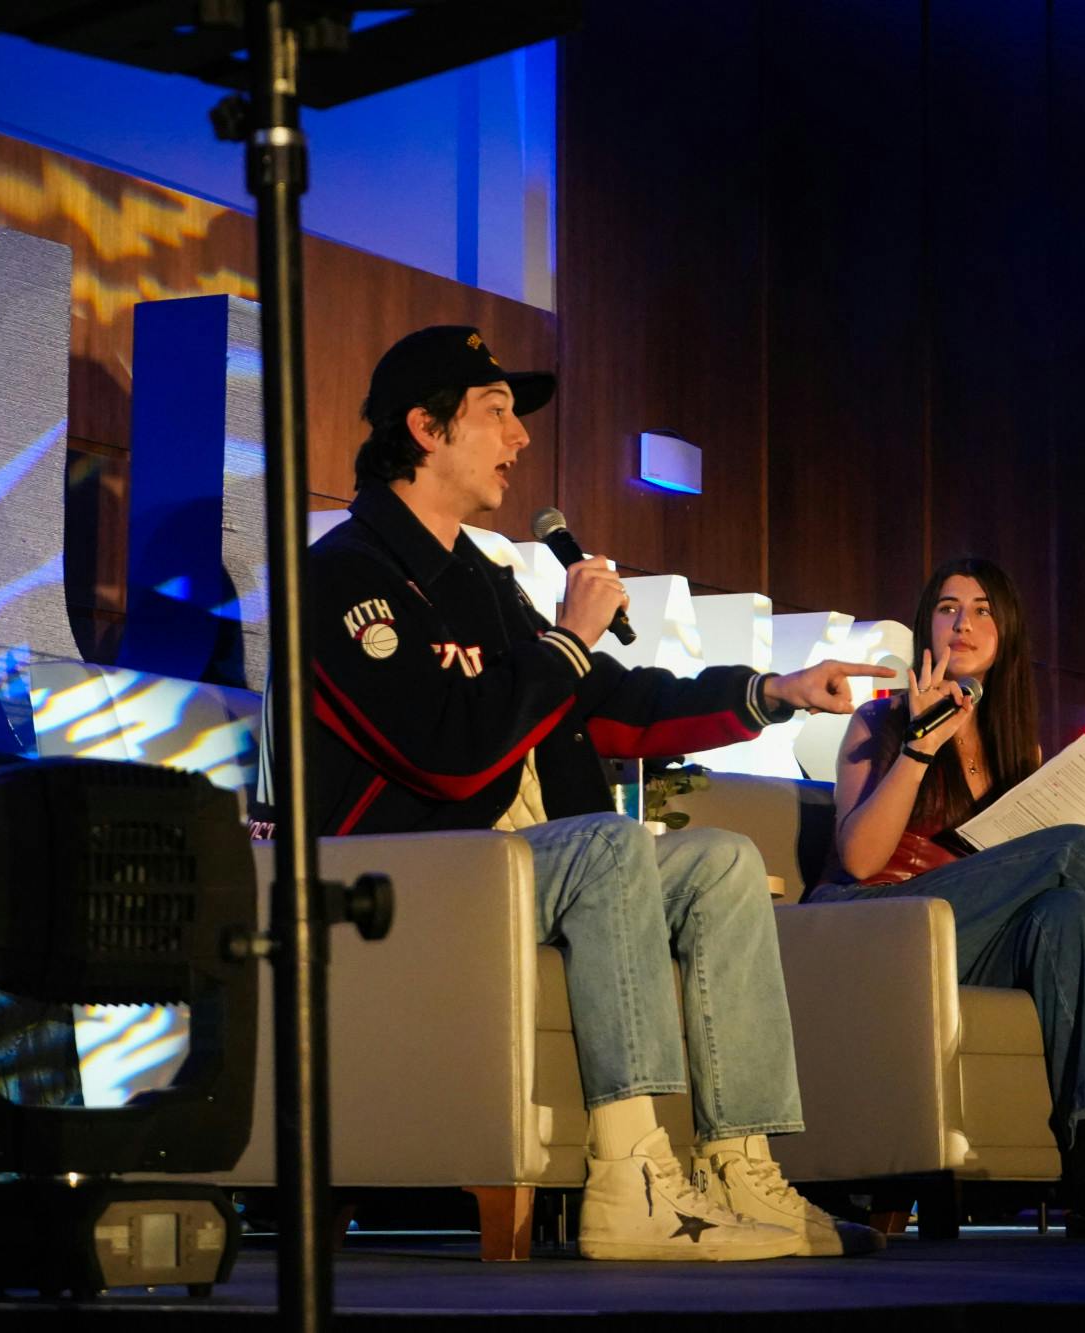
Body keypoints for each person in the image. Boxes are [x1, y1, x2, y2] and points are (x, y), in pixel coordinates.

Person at [288, 326, 892, 1260]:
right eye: (496, 414)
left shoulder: (488, 586)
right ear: (425, 427)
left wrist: (772, 693)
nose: (520, 439)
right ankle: (632, 1178)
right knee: (611, 844)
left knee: (724, 861)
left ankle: (742, 1166)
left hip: (529, 869)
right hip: (415, 875)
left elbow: (613, 706)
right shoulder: (345, 576)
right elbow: (444, 754)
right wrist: (566, 641)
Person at [805, 557, 1085, 1223]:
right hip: (878, 927)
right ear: (927, 626)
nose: (964, 621)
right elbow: (862, 858)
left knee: (1070, 909)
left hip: (969, 935)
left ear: (1007, 631)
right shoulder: (880, 723)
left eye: (983, 608)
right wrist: (921, 746)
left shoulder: (1018, 745)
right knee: (1075, 847)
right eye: (949, 606)